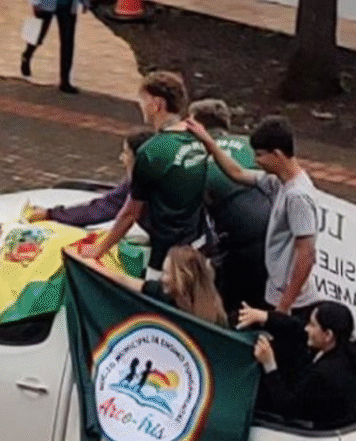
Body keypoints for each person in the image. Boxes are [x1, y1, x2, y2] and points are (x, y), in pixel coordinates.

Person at [185, 115, 319, 319]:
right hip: (273, 290)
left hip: (292, 301)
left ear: (277, 154)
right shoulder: (278, 182)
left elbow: (306, 255)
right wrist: (209, 142)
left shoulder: (297, 196)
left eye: (259, 155)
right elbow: (237, 173)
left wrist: (284, 306)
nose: (256, 162)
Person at [83, 72, 208, 278]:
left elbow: (129, 213)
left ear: (158, 103)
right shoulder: (196, 138)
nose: (141, 106)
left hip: (165, 256)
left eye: (144, 100)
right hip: (197, 245)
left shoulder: (152, 152)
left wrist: (99, 249)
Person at [187, 99, 273, 315]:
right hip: (279, 239)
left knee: (229, 309)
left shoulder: (195, 157)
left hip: (243, 248)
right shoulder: (251, 145)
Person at [240, 301, 356, 430]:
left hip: (312, 432)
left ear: (328, 335)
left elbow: (286, 406)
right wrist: (266, 317)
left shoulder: (324, 374)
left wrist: (269, 364)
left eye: (312, 325)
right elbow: (298, 328)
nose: (306, 328)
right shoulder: (350, 352)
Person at [25, 129, 154, 232]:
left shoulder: (145, 186)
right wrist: (51, 214)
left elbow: (104, 208)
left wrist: (51, 214)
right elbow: (104, 206)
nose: (121, 158)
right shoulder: (143, 181)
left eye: (126, 153)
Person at [69, 245, 227, 328]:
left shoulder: (212, 317)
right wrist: (81, 261)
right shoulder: (161, 293)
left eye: (166, 273)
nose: (162, 278)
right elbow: (123, 280)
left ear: (182, 278)